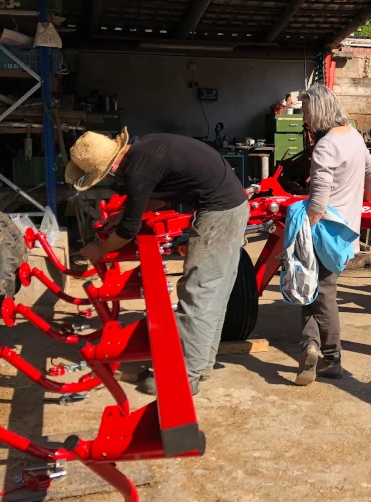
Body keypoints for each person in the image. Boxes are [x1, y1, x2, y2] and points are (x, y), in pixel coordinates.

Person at [64, 129, 249, 396]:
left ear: (110, 168)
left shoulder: (136, 171)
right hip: (231, 207)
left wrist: (101, 249)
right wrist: (126, 214)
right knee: (214, 292)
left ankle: (184, 375)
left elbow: (129, 230)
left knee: (198, 292)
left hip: (219, 214)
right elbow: (162, 194)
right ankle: (201, 365)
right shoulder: (144, 150)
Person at [297, 84, 371, 385]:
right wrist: (367, 197)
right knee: (311, 288)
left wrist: (302, 231)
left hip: (324, 231)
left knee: (322, 292)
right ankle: (309, 347)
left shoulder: (326, 146)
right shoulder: (354, 136)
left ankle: (332, 358)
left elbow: (318, 201)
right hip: (346, 232)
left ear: (318, 111)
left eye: (306, 112)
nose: (305, 119)